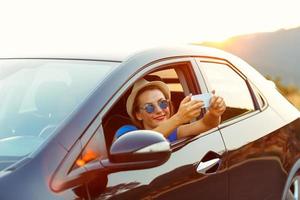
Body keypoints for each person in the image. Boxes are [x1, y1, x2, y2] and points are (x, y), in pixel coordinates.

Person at [115, 78, 226, 142]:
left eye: (163, 103)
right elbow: (138, 143)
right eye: (149, 107)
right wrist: (178, 118)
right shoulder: (126, 131)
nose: (159, 110)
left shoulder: (173, 132)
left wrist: (214, 113)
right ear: (138, 114)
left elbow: (206, 124)